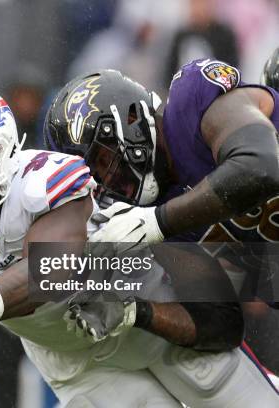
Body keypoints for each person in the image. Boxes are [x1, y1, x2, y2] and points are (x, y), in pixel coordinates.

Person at [0, 83, 274, 406]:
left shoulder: (47, 178)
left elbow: (50, 270)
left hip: (155, 317)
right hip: (75, 362)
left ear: (5, 153)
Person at [44, 67, 279, 401]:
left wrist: (157, 223)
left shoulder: (191, 104)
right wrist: (133, 312)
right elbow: (221, 324)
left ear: (130, 121)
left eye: (101, 164)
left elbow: (261, 165)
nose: (105, 186)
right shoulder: (161, 222)